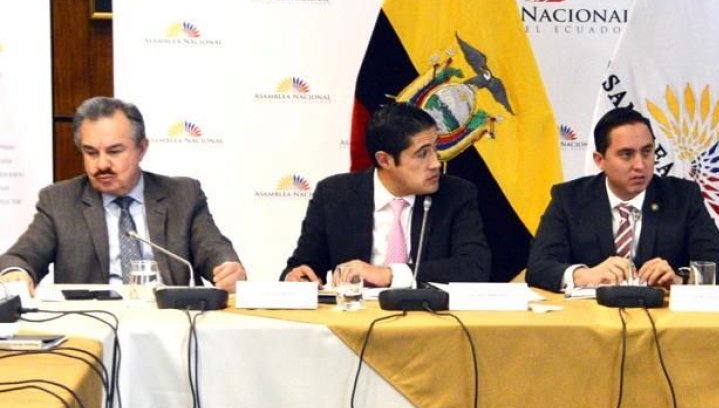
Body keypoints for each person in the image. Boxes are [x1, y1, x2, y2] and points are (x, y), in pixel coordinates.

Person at [0, 97, 245, 293]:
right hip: (94, 325)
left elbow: (213, 249)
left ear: (141, 149)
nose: (102, 164)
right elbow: (21, 257)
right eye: (91, 153)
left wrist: (228, 269)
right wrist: (17, 273)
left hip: (172, 322)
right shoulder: (59, 201)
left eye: (115, 151)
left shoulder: (183, 195)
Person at [526, 107, 719, 291]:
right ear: (600, 160)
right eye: (626, 155)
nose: (640, 165)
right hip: (592, 318)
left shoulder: (683, 197)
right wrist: (584, 276)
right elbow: (538, 267)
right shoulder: (569, 199)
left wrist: (681, 279)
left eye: (647, 152)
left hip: (663, 318)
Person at [282, 101, 490, 286]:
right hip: (357, 313)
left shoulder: (456, 194)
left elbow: (474, 267)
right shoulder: (334, 195)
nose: (436, 163)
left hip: (427, 315)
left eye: (435, 149)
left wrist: (389, 274)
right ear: (385, 160)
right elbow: (304, 265)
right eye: (422, 154)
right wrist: (297, 277)